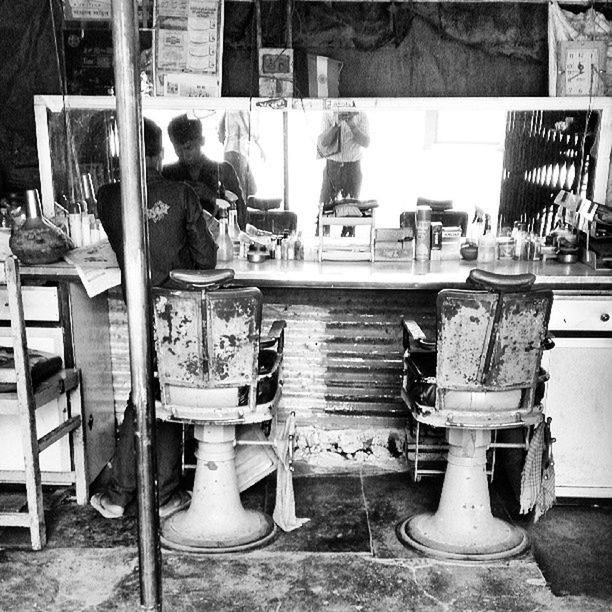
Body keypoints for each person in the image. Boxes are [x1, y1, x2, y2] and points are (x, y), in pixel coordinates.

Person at [90, 117, 217, 520]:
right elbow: (206, 259)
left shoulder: (108, 197)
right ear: (162, 154)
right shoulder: (180, 194)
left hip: (138, 306)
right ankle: (161, 493)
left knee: (145, 393)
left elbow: (123, 245)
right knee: (164, 393)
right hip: (175, 310)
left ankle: (120, 492)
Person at [164, 113, 247, 231]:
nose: (184, 155)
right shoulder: (168, 175)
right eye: (178, 149)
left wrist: (211, 196)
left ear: (202, 141)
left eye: (188, 148)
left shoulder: (223, 172)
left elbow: (241, 221)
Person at [317, 111, 370, 237]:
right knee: (323, 209)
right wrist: (336, 125)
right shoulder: (328, 113)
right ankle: (320, 246)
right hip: (332, 166)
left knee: (351, 213)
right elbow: (324, 142)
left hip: (353, 166)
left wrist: (352, 125)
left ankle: (350, 246)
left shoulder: (361, 113)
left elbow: (366, 142)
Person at [218, 110, 262, 199]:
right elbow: (247, 129)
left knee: (248, 188)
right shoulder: (238, 108)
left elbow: (220, 130)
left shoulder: (229, 110)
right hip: (236, 151)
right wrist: (258, 144)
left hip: (236, 151)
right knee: (240, 189)